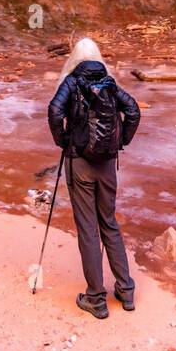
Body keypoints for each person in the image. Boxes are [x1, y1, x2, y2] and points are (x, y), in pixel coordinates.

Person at [47, 37, 141, 319]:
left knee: (88, 229)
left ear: (74, 57)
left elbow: (54, 111)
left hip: (80, 163)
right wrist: (120, 141)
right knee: (109, 223)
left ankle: (96, 298)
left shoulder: (72, 82)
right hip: (108, 165)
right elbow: (134, 111)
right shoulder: (110, 82)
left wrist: (63, 141)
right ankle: (125, 291)